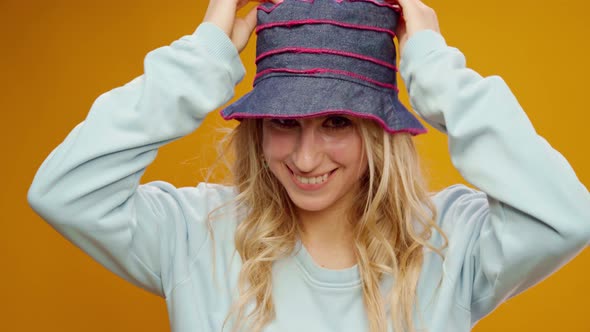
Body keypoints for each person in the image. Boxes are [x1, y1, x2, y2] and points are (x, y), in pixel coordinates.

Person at [27, 0, 589, 331]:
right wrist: (196, 63)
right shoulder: (193, 234)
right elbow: (64, 192)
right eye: (284, 123)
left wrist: (437, 72)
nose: (305, 158)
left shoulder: (451, 241)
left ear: (380, 130)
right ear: (256, 127)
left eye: (337, 123)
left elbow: (568, 218)